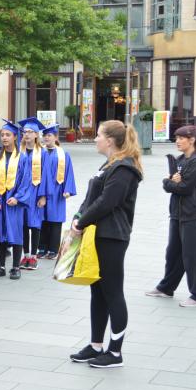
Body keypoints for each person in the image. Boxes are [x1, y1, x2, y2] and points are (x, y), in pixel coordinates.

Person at [69, 120, 142, 369]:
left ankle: (115, 352)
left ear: (109, 140)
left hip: (112, 236)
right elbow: (92, 198)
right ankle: (96, 345)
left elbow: (107, 202)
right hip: (97, 234)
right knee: (97, 291)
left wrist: (81, 222)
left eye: (98, 135)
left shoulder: (125, 168)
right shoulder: (109, 164)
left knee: (112, 291)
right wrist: (78, 218)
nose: (95, 138)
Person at [147, 125, 196, 307]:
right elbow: (172, 184)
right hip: (177, 214)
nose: (177, 141)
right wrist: (171, 182)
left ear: (192, 140)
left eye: (181, 138)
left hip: (194, 214)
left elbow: (185, 188)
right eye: (176, 138)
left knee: (193, 255)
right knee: (173, 253)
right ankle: (166, 288)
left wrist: (168, 182)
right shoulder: (180, 159)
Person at [0, 120, 29, 280]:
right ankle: (1, 266)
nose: (4, 138)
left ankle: (16, 267)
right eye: (2, 135)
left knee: (16, 232)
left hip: (14, 201)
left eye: (8, 135)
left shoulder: (22, 158)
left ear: (15, 137)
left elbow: (26, 181)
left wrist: (18, 198)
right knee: (0, 231)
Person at [38, 124, 76, 259]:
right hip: (41, 191)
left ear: (55, 137)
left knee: (55, 221)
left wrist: (68, 189)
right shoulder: (39, 153)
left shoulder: (63, 154)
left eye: (49, 135)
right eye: (45, 135)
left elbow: (68, 173)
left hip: (57, 191)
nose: (46, 138)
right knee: (42, 220)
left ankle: (53, 249)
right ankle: (41, 248)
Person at [17, 117, 47, 270]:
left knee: (34, 224)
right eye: (25, 132)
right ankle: (25, 255)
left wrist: (43, 196)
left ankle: (34, 257)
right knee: (23, 225)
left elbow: (46, 175)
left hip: (35, 192)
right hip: (21, 193)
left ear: (36, 135)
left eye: (30, 132)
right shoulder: (19, 152)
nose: (27, 134)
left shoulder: (42, 153)